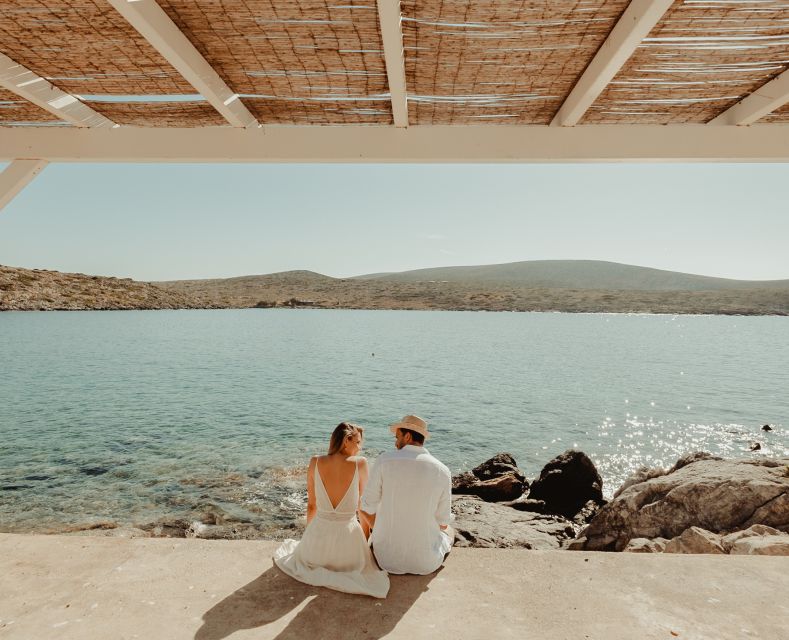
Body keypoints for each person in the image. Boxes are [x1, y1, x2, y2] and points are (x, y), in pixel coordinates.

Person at [274, 422, 390, 598]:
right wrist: (364, 542)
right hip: (349, 548)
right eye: (357, 442)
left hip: (317, 544)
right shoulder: (360, 464)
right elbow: (362, 508)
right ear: (346, 441)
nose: (360, 448)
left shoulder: (315, 461)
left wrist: (308, 538)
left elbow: (312, 505)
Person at [360, 415, 454, 575]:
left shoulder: (384, 461)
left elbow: (365, 507)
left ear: (408, 436)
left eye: (397, 437)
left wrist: (380, 530)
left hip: (385, 559)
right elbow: (443, 522)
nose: (395, 442)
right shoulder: (442, 470)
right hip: (425, 563)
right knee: (450, 529)